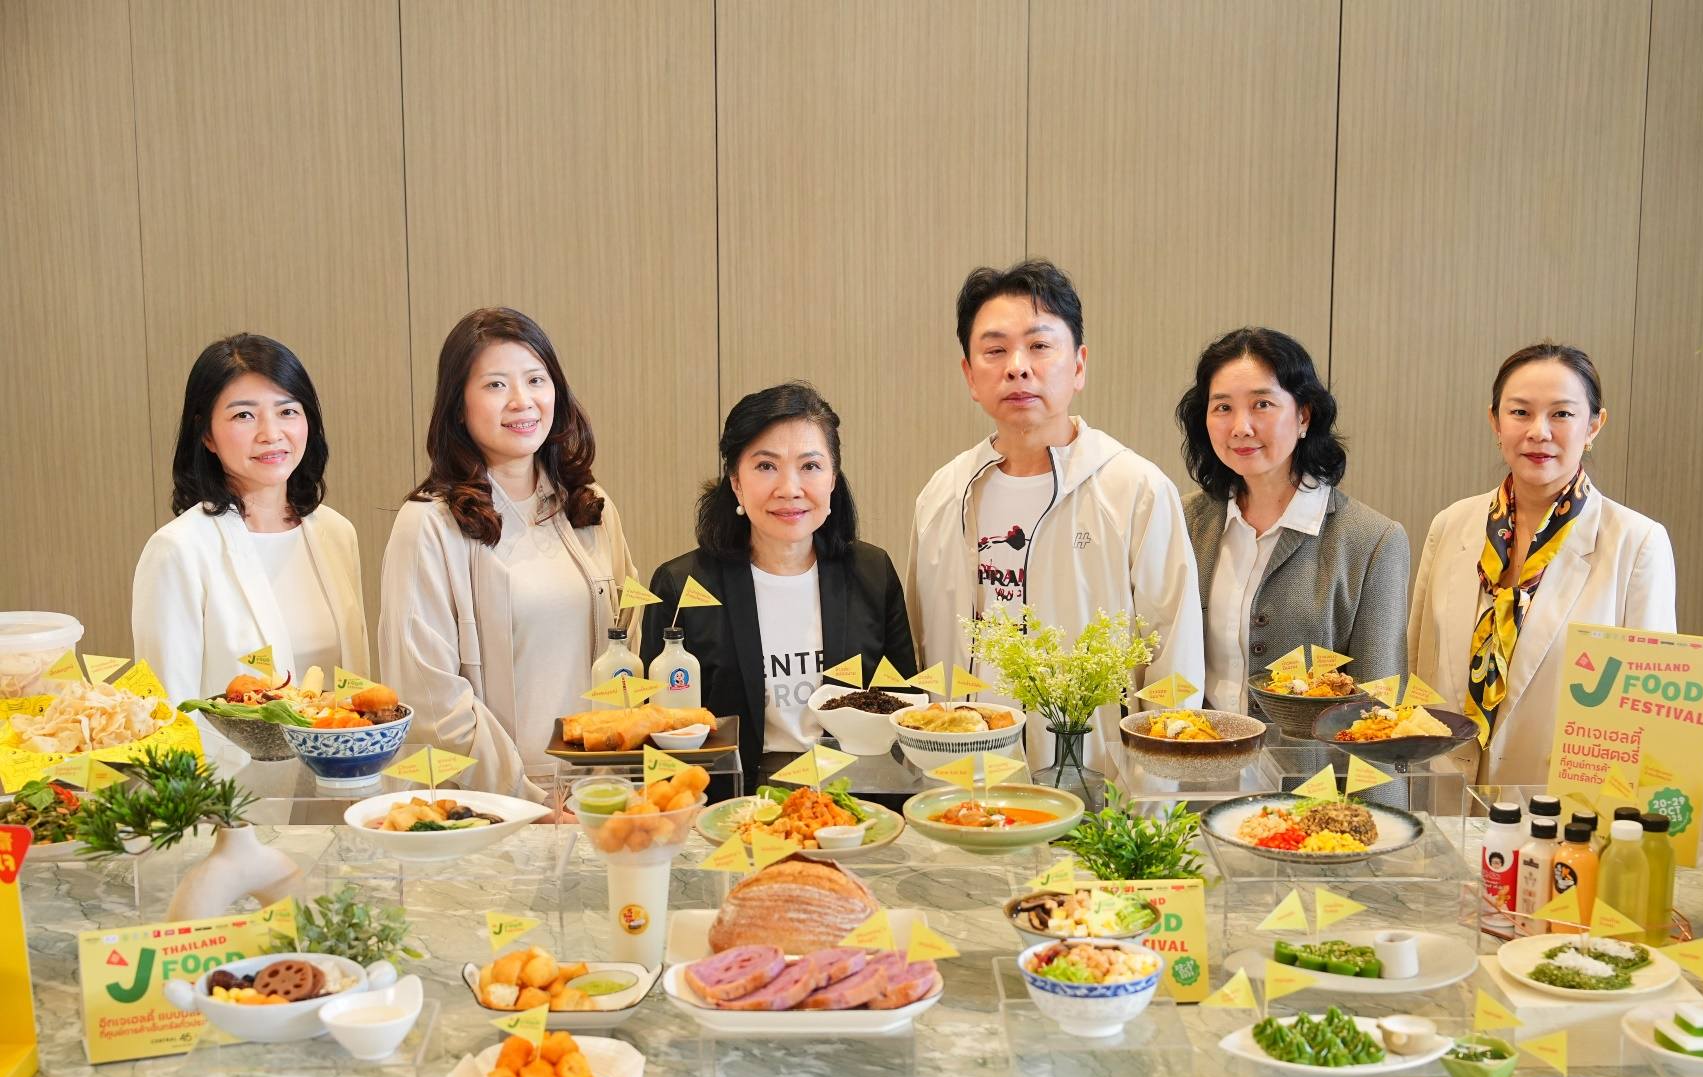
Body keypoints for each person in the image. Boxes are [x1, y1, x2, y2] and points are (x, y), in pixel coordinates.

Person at [906, 259, 1205, 776]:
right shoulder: (942, 495)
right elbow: (918, 646)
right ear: (970, 375)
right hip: (963, 786)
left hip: (1098, 788)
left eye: (1040, 345)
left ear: (1079, 365)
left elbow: (1173, 657)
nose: (1017, 367)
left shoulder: (1135, 490)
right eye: (995, 350)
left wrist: (1153, 799)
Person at [380, 307, 638, 796]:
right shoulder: (428, 524)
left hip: (599, 790)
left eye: (536, 380)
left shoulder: (588, 505)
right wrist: (527, 799)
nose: (522, 401)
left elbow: (629, 639)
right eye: (496, 385)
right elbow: (430, 696)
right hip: (496, 803)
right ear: (458, 406)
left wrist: (615, 780)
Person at [1410, 343, 1677, 784]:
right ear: (1495, 422)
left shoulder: (1637, 543)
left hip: (1561, 807)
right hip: (1445, 799)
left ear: (1594, 425)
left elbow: (1648, 714)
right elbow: (1419, 667)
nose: (1539, 431)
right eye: (1520, 412)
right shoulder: (1451, 525)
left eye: (1562, 414)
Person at [643, 382, 915, 782]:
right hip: (729, 803)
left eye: (810, 466)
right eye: (766, 466)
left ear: (833, 478)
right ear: (736, 481)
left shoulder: (872, 572)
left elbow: (906, 708)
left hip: (854, 799)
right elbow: (657, 726)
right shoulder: (679, 584)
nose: (790, 489)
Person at [132, 333, 369, 768]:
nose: (271, 434)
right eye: (244, 415)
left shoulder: (336, 533)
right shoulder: (178, 550)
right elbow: (167, 717)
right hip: (232, 796)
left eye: (287, 411)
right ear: (206, 433)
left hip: (338, 784)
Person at [1176, 327, 1408, 716]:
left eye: (1262, 404)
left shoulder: (1372, 541)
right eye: (1223, 407)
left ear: (1303, 416)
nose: (1241, 427)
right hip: (1197, 753)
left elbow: (1380, 707)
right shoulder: (1181, 522)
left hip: (1312, 759)